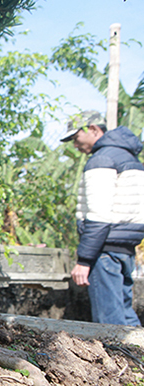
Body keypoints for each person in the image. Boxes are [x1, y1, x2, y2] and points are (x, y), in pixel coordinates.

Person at [61, 110, 144, 326]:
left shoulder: (102, 159)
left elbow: (99, 216)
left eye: (76, 138)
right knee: (126, 317)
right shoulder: (129, 158)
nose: (75, 146)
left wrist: (84, 260)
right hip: (125, 249)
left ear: (94, 130)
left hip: (105, 251)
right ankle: (136, 360)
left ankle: (118, 360)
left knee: (109, 324)